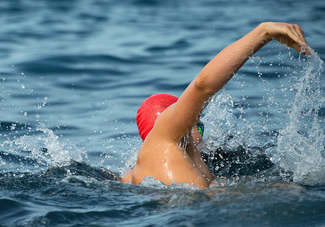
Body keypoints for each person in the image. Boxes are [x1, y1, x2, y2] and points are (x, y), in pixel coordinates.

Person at [121, 22, 310, 189]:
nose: (203, 134)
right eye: (199, 125)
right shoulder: (166, 136)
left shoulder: (139, 172)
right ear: (174, 118)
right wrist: (264, 32)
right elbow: (202, 86)